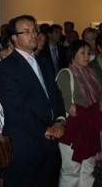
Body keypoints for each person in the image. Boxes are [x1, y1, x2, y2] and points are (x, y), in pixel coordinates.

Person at [0, 15, 65, 187]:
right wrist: (45, 130)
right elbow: (15, 109)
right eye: (26, 31)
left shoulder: (44, 62)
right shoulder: (5, 68)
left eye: (34, 30)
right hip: (25, 144)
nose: (33, 34)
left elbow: (55, 96)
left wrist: (60, 121)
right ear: (14, 38)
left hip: (51, 142)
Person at [56, 40, 102, 187]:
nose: (86, 56)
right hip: (73, 128)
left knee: (88, 169)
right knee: (72, 170)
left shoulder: (92, 73)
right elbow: (70, 108)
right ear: (72, 54)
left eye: (88, 53)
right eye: (82, 52)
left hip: (91, 128)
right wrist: (94, 110)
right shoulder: (66, 74)